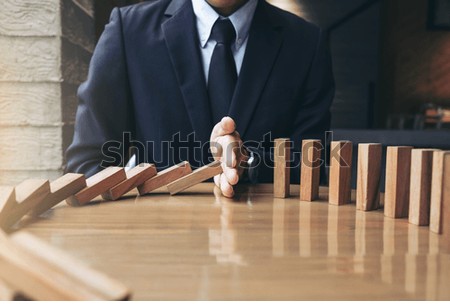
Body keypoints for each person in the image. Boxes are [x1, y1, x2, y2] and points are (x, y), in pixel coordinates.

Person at [65, 0, 334, 198]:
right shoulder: (129, 31)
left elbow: (310, 167)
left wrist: (247, 161)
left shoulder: (306, 44)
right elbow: (87, 165)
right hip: (158, 254)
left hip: (262, 253)